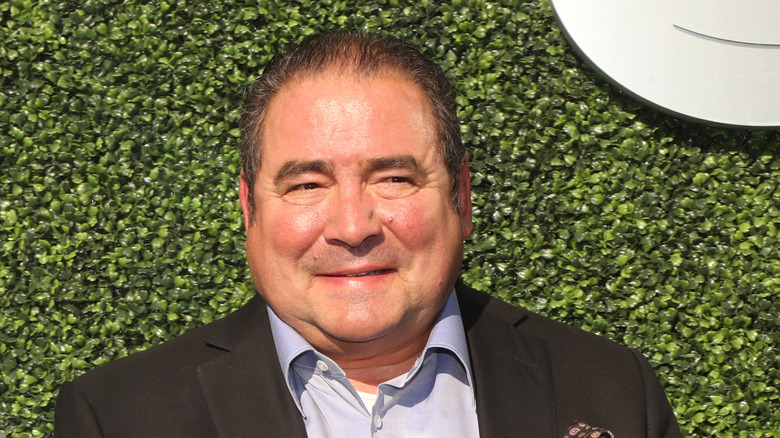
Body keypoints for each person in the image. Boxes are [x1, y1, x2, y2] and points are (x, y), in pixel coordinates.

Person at [54, 30, 681, 437]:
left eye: (394, 178)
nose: (353, 227)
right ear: (249, 208)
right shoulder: (118, 418)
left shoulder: (613, 392)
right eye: (306, 184)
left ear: (460, 196)